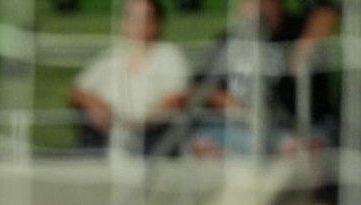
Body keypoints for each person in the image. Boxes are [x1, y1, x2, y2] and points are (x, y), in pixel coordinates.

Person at [194, 0, 338, 156]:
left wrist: (306, 47)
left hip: (300, 127)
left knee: (298, 149)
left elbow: (327, 11)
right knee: (203, 141)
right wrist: (227, 101)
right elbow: (199, 86)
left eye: (265, 2)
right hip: (246, 129)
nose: (259, 8)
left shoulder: (297, 29)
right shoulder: (229, 40)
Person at [68, 0, 190, 154]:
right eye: (133, 19)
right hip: (102, 135)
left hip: (148, 139)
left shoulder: (169, 56)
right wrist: (92, 103)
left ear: (157, 22)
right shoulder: (111, 56)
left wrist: (131, 125)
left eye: (145, 19)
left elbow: (174, 102)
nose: (139, 25)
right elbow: (77, 92)